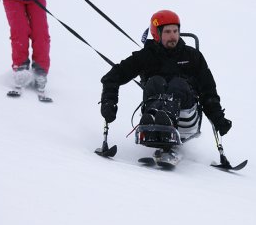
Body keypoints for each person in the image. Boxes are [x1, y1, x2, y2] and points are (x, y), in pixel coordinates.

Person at [99, 10, 232, 136]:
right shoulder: (146, 56)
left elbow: (208, 90)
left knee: (177, 84)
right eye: (167, 32)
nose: (173, 36)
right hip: (152, 117)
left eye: (175, 31)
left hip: (186, 119)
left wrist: (218, 119)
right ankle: (154, 120)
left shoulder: (192, 56)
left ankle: (165, 121)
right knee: (155, 83)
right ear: (157, 34)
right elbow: (113, 76)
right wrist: (109, 102)